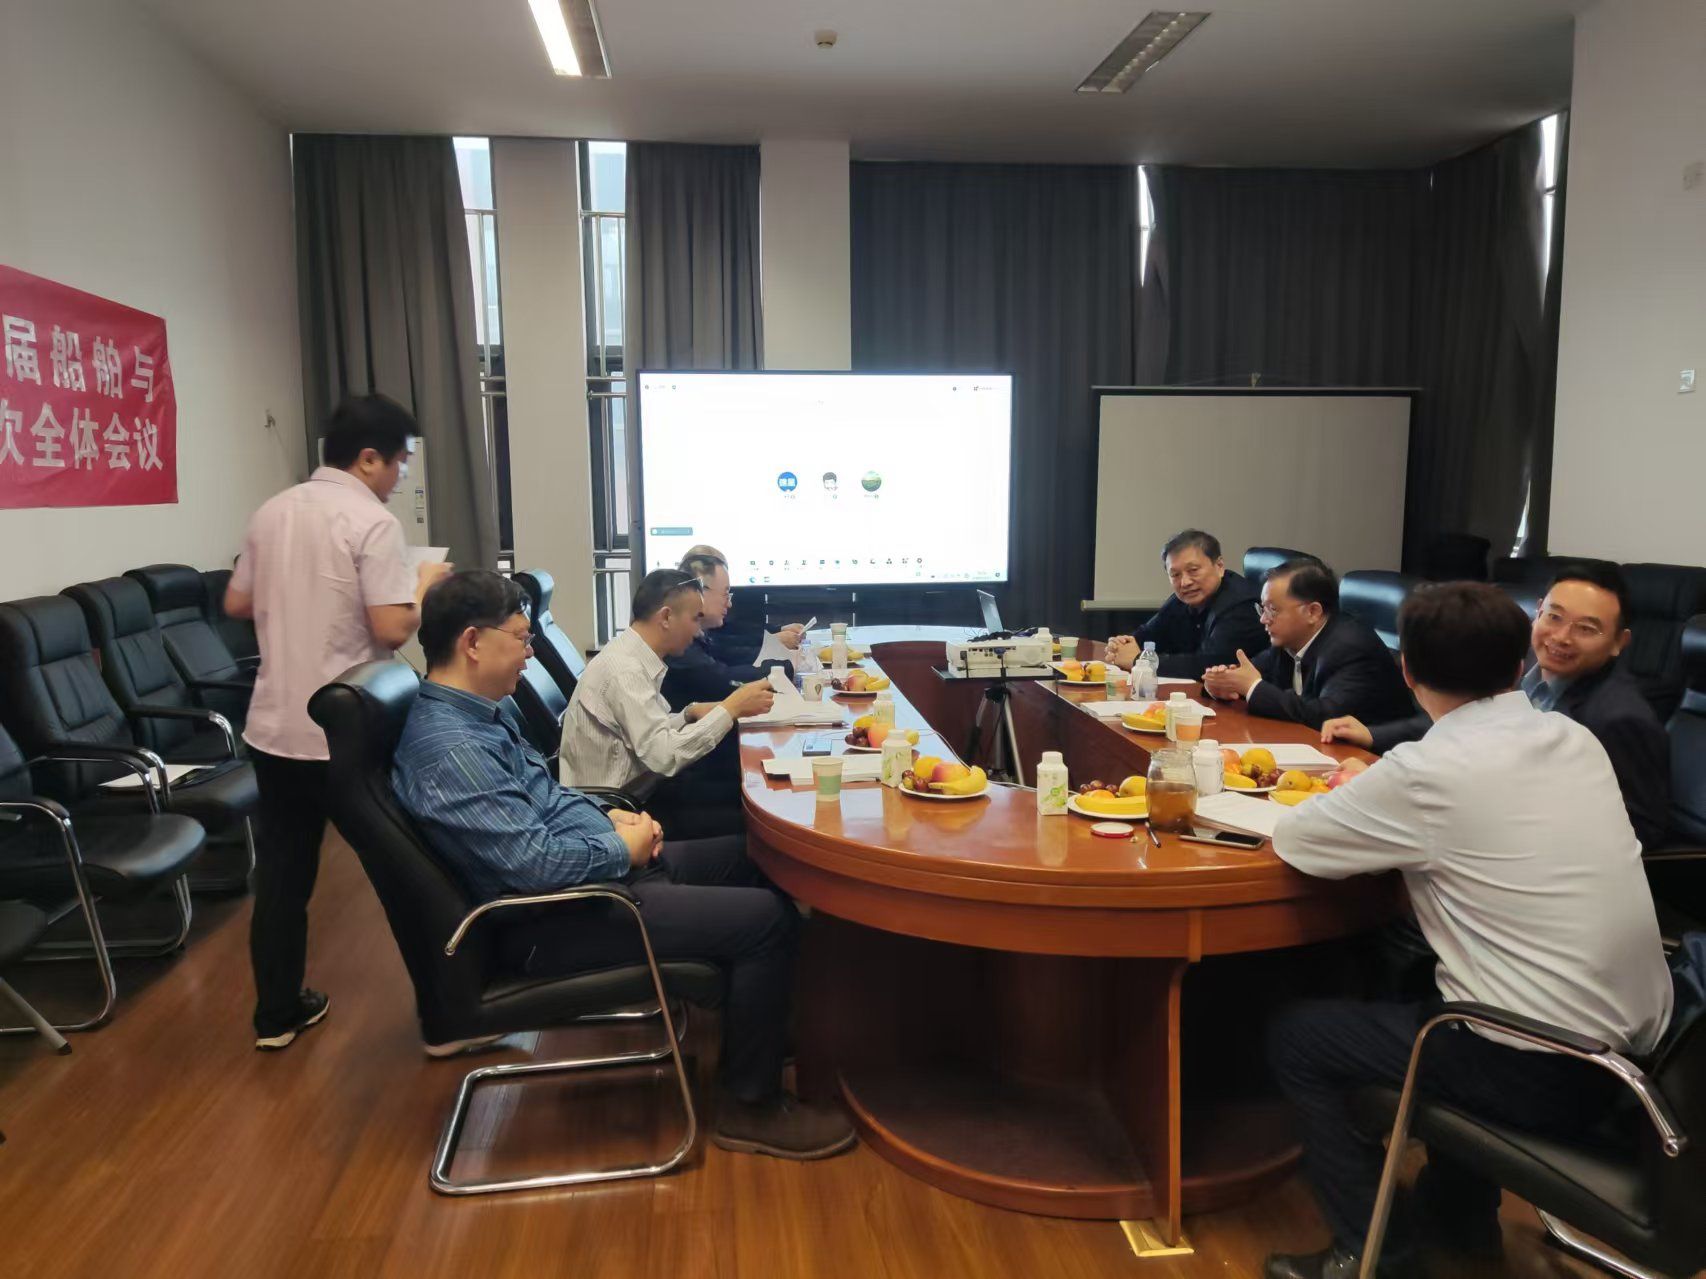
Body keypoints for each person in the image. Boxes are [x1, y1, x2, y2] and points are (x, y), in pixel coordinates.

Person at [1261, 582, 1672, 1279]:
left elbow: (1298, 841)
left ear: (1406, 669)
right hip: (1643, 1055)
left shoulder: (1428, 770)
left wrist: (1363, 791)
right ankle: (1460, 1215)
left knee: (1300, 1037)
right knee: (1447, 984)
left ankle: (1374, 1254)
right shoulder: (1574, 738)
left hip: (1542, 1064)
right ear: (1519, 666)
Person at [391, 571, 854, 1158]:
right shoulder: (452, 749)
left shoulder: (480, 714)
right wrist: (621, 847)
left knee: (755, 855)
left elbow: (548, 797)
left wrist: (611, 818)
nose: (530, 652)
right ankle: (750, 1105)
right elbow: (531, 865)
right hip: (557, 916)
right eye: (522, 638)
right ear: (472, 642)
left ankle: (762, 1027)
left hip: (592, 874)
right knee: (767, 920)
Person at [225, 393, 453, 1051]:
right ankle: (445, 1016)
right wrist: (425, 583)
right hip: (345, 728)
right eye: (399, 461)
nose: (401, 475)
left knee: (283, 874)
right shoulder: (371, 521)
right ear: (369, 458)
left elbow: (237, 601)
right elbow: (392, 626)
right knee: (406, 866)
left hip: (274, 727)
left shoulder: (272, 510)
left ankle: (277, 1015)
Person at [1322, 564, 1672, 850]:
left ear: (1619, 643)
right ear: (1537, 611)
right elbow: (1464, 721)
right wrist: (1373, 735)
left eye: (1586, 628)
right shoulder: (1522, 663)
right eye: (1554, 617)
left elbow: (1643, 829)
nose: (1561, 637)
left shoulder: (1619, 717)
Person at [559, 569, 775, 839]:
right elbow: (664, 757)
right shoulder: (624, 671)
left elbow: (650, 730)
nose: (698, 631)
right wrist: (730, 708)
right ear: (666, 617)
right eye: (695, 619)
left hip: (643, 790)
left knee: (741, 786)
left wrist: (688, 714)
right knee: (751, 819)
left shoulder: (630, 654)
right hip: (623, 812)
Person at [1201, 557, 1412, 729]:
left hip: (1369, 758)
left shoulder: (1350, 647)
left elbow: (1327, 716)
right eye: (1262, 609)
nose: (1263, 619)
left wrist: (1252, 687)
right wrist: (1222, 685)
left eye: (1272, 610)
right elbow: (1251, 676)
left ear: (1313, 612)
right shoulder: (1287, 641)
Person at [1105, 529, 1269, 678]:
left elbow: (1209, 666)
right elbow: (1148, 635)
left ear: (1219, 566)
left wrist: (1140, 661)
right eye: (1175, 575)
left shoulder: (1241, 606)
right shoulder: (1183, 599)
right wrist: (1121, 646)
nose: (1185, 582)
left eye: (1193, 570)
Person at [663, 549, 794, 710]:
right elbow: (722, 681)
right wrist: (781, 670)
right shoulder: (678, 641)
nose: (730, 604)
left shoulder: (698, 636)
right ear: (700, 592)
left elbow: (730, 658)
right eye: (725, 594)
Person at [684, 542, 807, 669]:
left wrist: (778, 631)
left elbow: (741, 631)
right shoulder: (685, 643)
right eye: (724, 592)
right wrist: (776, 654)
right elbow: (727, 656)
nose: (729, 603)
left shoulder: (704, 628)